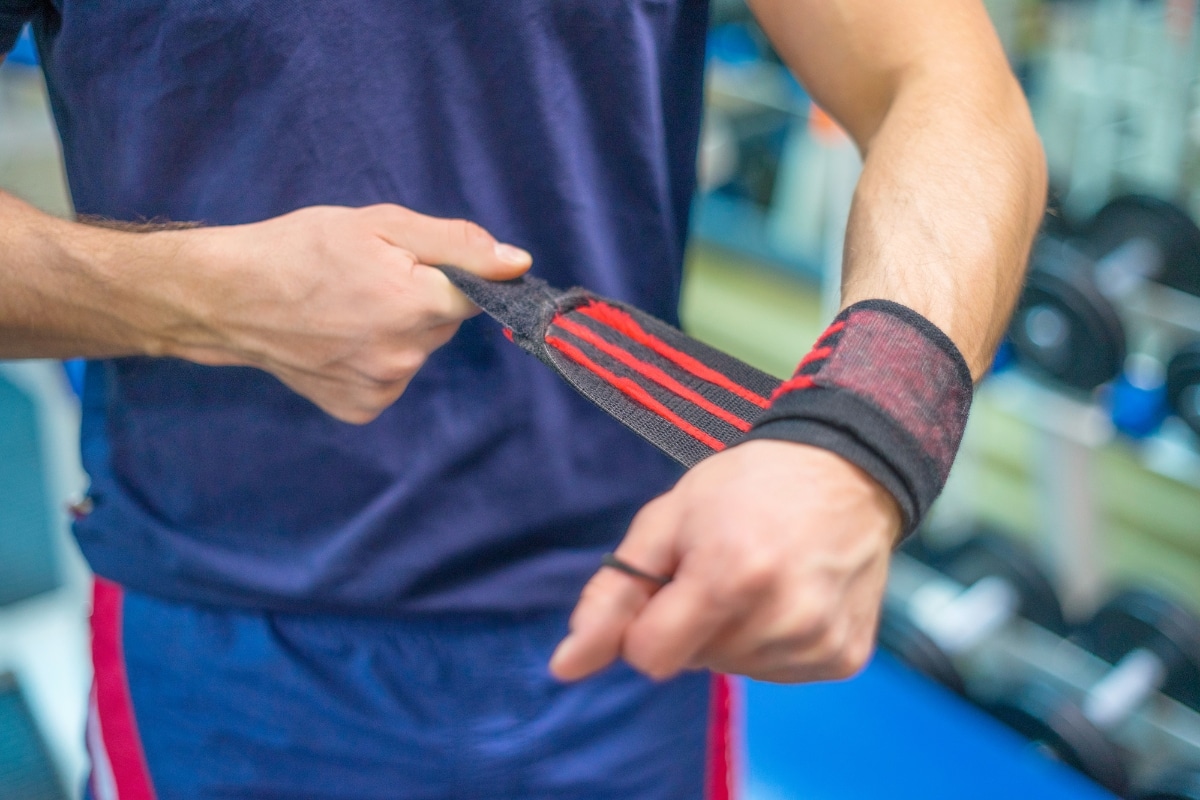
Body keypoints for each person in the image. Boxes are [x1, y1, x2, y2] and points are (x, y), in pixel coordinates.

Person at [0, 0, 1046, 797]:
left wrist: (862, 435)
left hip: (635, 621)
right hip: (225, 647)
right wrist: (202, 297)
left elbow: (945, 84)